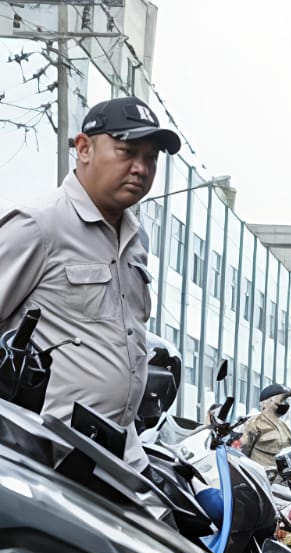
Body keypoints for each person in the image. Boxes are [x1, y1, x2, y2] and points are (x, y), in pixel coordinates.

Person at [0, 96, 181, 468]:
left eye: (151, 158)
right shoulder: (38, 226)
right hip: (47, 454)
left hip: (120, 452)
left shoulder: (135, 242)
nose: (141, 168)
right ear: (84, 148)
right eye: (126, 151)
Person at [240, 383, 291, 472]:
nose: (285, 404)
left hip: (281, 482)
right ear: (267, 401)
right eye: (282, 400)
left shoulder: (284, 426)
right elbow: (242, 453)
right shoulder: (255, 423)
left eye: (286, 400)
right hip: (261, 480)